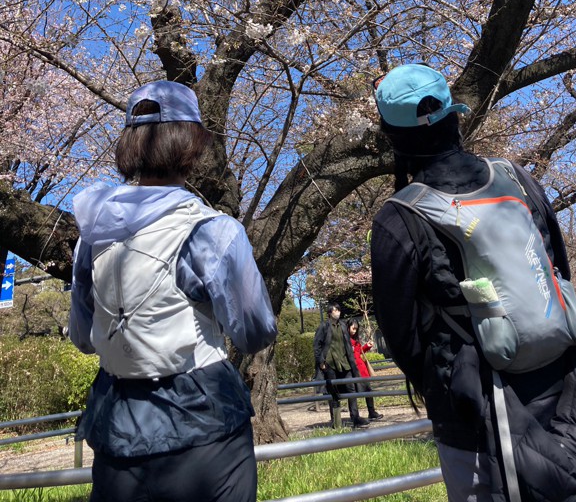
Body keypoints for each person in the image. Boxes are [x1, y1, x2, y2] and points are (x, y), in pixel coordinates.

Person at [370, 63, 576, 502]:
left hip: (477, 409)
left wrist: (447, 381)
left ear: (393, 139)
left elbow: (402, 338)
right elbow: (558, 271)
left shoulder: (399, 217)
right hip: (571, 376)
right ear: (456, 118)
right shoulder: (517, 178)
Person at [69, 80, 277, 502]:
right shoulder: (213, 231)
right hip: (203, 427)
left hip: (117, 427)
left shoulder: (92, 235)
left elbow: (82, 337)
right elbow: (254, 333)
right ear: (192, 143)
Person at [313, 304, 370, 428]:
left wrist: (352, 360)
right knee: (333, 392)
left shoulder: (343, 325)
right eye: (335, 310)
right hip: (330, 363)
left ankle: (355, 418)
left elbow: (348, 344)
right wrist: (321, 362)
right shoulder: (324, 326)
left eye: (338, 310)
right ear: (329, 312)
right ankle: (336, 420)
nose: (337, 312)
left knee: (352, 389)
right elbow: (317, 345)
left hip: (345, 362)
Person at [347, 318, 383, 420]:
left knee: (368, 391)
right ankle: (356, 416)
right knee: (355, 394)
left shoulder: (355, 340)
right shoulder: (347, 341)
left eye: (356, 329)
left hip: (362, 370)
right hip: (355, 371)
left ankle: (371, 412)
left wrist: (367, 346)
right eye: (353, 328)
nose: (354, 331)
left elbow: (359, 352)